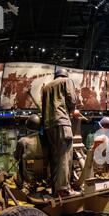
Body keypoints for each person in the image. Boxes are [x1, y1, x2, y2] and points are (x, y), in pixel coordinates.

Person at [41, 68, 78, 197]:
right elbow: (71, 98)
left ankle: (55, 188)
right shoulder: (66, 81)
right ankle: (63, 189)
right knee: (64, 156)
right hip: (62, 122)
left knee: (54, 157)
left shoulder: (46, 87)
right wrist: (73, 110)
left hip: (48, 125)